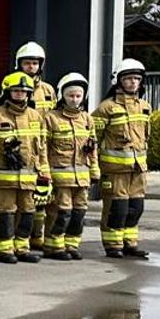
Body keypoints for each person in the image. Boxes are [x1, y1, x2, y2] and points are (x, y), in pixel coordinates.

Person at [0, 73, 48, 264]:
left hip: (29, 178)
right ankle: (4, 249)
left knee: (27, 212)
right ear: (7, 92)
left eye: (24, 91)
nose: (20, 94)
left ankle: (22, 248)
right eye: (16, 91)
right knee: (5, 213)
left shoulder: (36, 116)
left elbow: (41, 147)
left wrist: (45, 172)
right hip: (3, 179)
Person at [93, 58, 151, 259]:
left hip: (138, 169)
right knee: (116, 209)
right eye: (128, 79)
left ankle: (130, 244)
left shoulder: (144, 106)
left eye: (137, 78)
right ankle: (113, 245)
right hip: (114, 170)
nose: (133, 82)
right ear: (119, 81)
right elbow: (93, 140)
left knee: (136, 208)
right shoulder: (106, 108)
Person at [41, 72, 96, 260]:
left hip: (82, 178)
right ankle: (53, 246)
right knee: (61, 212)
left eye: (78, 96)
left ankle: (71, 245)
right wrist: (44, 172)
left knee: (79, 212)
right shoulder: (51, 118)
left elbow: (92, 147)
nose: (74, 99)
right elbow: (43, 148)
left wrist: (94, 170)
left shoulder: (88, 119)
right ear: (62, 96)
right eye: (70, 95)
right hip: (60, 177)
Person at [14, 42, 57, 111]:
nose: (31, 66)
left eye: (35, 63)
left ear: (40, 66)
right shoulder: (8, 88)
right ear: (19, 64)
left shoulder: (48, 89)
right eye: (27, 63)